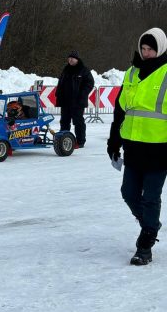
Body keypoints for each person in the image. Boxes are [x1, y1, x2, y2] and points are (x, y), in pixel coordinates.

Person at [107, 27, 167, 265]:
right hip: (133, 148)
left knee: (151, 197)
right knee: (128, 193)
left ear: (160, 48)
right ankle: (150, 224)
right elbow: (121, 110)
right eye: (143, 48)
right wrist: (114, 141)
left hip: (159, 150)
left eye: (151, 49)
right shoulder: (132, 73)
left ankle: (145, 245)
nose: (146, 53)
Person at [55, 50, 94, 148]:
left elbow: (90, 83)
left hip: (78, 102)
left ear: (77, 59)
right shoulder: (66, 69)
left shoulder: (84, 70)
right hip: (65, 101)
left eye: (72, 58)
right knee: (64, 121)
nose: (70, 60)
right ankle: (64, 139)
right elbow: (60, 83)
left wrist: (83, 94)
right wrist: (58, 93)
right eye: (69, 58)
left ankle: (80, 141)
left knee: (78, 122)